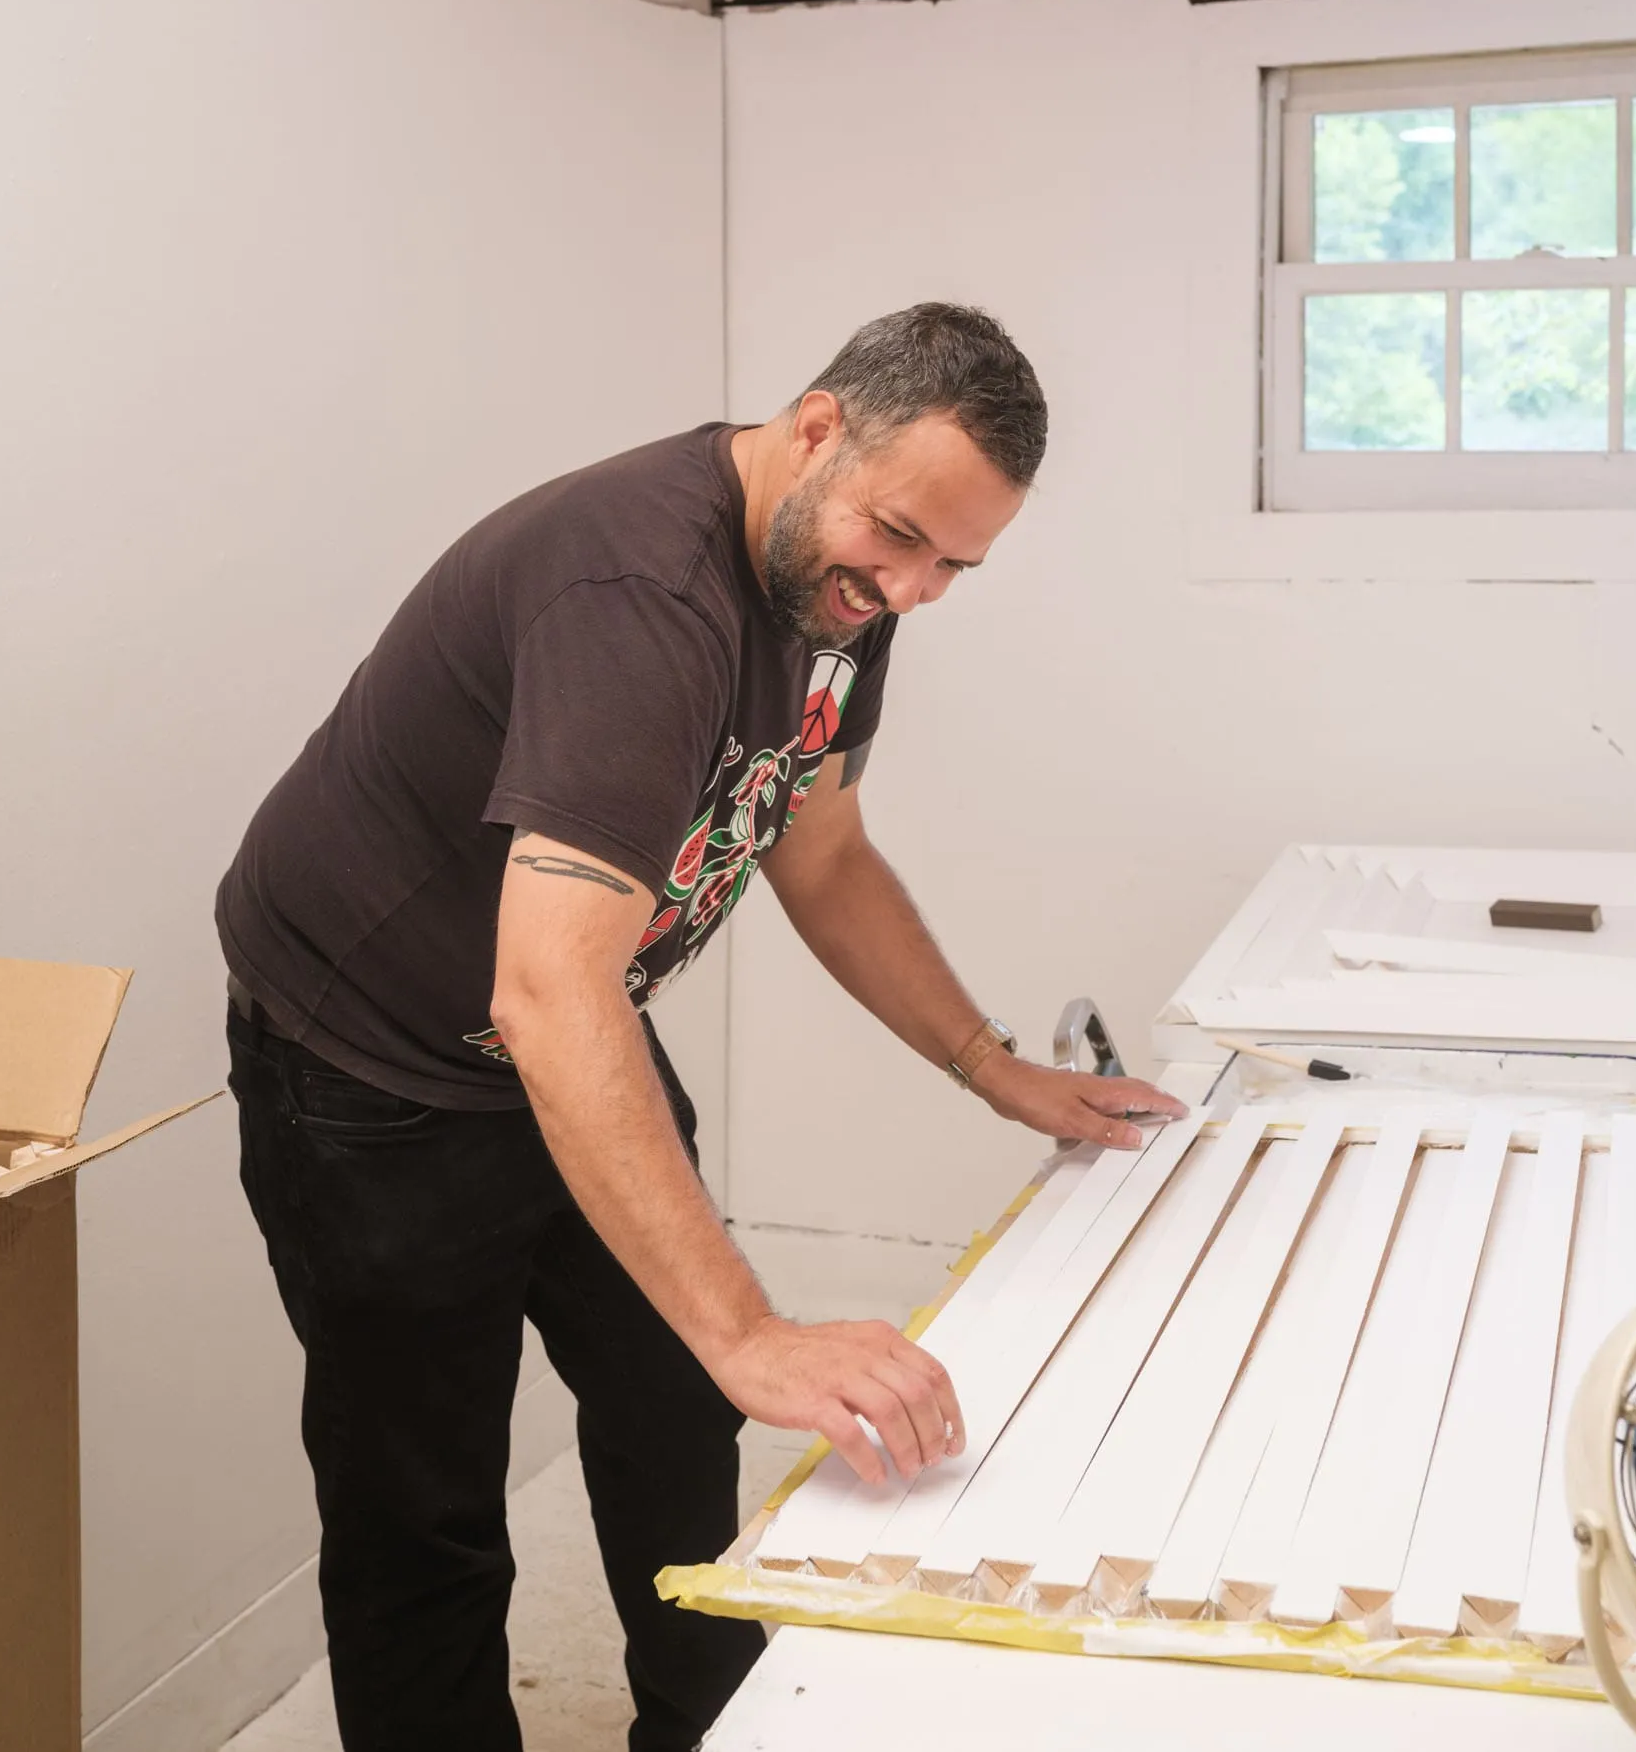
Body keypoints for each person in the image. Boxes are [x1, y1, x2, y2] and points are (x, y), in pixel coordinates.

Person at [218, 301, 1184, 1752]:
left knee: (676, 1408)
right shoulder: (635, 599)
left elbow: (820, 851)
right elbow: (544, 995)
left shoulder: (837, 588)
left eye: (953, 565)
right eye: (902, 535)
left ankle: (708, 1731)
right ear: (813, 428)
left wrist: (989, 1070)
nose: (914, 587)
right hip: (372, 1066)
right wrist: (747, 1327)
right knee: (422, 1511)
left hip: (563, 1024)